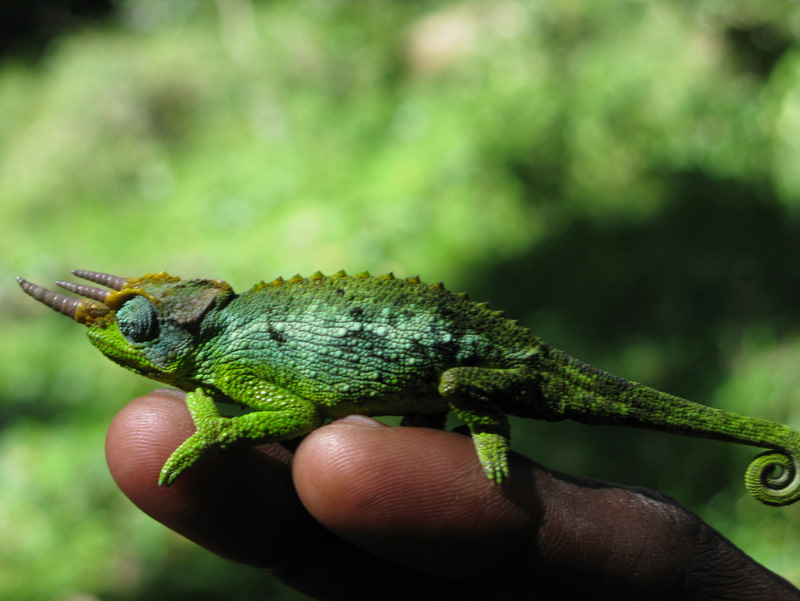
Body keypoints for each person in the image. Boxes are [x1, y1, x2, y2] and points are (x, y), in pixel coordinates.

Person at [105, 390, 800, 601]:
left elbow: (294, 414)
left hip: (468, 372)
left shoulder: (225, 362)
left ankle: (479, 418)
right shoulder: (214, 369)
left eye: (135, 326)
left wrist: (221, 432)